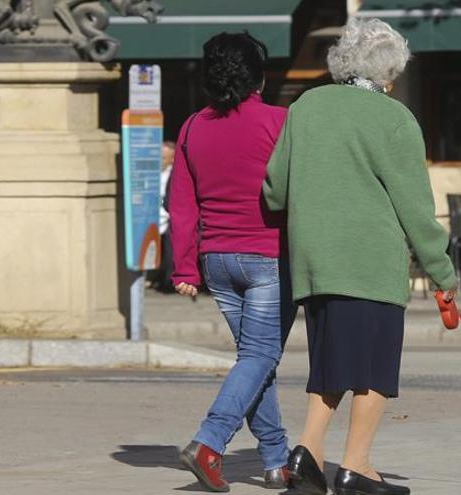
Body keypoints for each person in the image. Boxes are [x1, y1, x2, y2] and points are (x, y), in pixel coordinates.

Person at [263, 17, 458, 495]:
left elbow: (274, 190)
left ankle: (307, 454)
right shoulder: (394, 119)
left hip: (312, 260)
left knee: (329, 365)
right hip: (369, 260)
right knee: (372, 369)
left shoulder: (306, 106)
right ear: (390, 73)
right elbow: (416, 208)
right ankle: (358, 468)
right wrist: (442, 272)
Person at [170, 32, 294, 492]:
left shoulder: (192, 127)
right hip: (267, 256)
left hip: (215, 259)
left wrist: (184, 268)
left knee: (254, 361)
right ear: (259, 77)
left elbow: (182, 204)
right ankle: (210, 440)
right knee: (260, 355)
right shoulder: (280, 122)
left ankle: (277, 460)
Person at [150, 140, 176, 293]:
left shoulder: (175, 174)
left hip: (168, 218)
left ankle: (167, 282)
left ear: (172, 159)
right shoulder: (150, 173)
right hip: (151, 218)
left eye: (163, 158)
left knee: (169, 251)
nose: (159, 161)